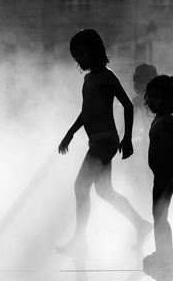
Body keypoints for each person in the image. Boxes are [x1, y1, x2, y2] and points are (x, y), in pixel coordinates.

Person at [57, 28, 152, 257]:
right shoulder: (89, 79)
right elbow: (86, 112)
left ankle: (80, 242)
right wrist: (69, 134)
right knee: (104, 191)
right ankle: (140, 224)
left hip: (105, 141)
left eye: (81, 54)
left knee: (80, 187)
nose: (78, 60)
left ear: (95, 51)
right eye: (75, 56)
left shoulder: (106, 76)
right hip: (97, 142)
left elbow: (128, 105)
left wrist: (127, 138)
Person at [142, 74, 173, 270]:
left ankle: (166, 255)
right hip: (160, 175)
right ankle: (162, 252)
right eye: (151, 97)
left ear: (170, 100)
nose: (153, 101)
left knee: (160, 216)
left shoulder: (166, 120)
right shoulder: (158, 120)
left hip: (167, 174)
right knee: (158, 216)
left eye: (158, 97)